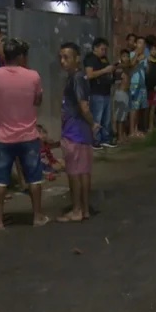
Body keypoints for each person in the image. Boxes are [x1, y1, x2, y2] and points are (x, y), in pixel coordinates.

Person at [0, 38, 47, 228]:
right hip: (28, 135)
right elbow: (38, 100)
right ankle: (37, 217)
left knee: (0, 179)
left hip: (2, 136)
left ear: (3, 55)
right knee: (34, 176)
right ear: (21, 56)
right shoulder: (33, 76)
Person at [58, 42, 98, 222]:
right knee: (83, 171)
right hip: (80, 132)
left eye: (67, 57)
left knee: (75, 172)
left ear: (77, 59)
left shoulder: (76, 78)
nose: (62, 61)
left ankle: (76, 209)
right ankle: (84, 208)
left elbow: (83, 106)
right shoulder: (79, 78)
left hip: (74, 132)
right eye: (61, 57)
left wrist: (93, 123)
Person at [83, 37, 117, 150]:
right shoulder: (90, 59)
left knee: (106, 118)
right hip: (96, 93)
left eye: (105, 49)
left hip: (106, 91)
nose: (104, 51)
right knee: (97, 117)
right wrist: (105, 70)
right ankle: (95, 139)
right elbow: (89, 75)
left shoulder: (104, 59)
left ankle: (105, 138)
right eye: (102, 49)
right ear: (95, 48)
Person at [128, 36, 148, 138]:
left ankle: (136, 129)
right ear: (135, 44)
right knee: (133, 108)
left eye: (143, 43)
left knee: (139, 108)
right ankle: (131, 131)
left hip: (142, 84)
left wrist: (146, 60)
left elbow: (146, 70)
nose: (142, 45)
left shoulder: (144, 56)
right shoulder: (131, 54)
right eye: (139, 43)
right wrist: (137, 55)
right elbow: (131, 66)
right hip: (134, 83)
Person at [113, 70, 130, 142]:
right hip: (120, 94)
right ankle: (119, 136)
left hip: (125, 93)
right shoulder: (119, 69)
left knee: (124, 116)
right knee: (120, 117)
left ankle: (122, 134)